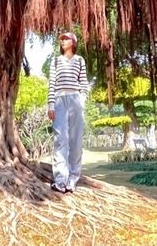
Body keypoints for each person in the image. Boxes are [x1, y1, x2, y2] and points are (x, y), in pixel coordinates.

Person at [47, 31, 88, 193]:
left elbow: (83, 82)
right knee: (60, 139)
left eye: (66, 39)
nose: (63, 41)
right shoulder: (56, 61)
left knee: (76, 140)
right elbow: (51, 84)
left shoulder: (79, 60)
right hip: (59, 100)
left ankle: (73, 178)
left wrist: (82, 100)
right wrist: (51, 105)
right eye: (61, 40)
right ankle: (60, 180)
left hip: (75, 99)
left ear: (73, 42)